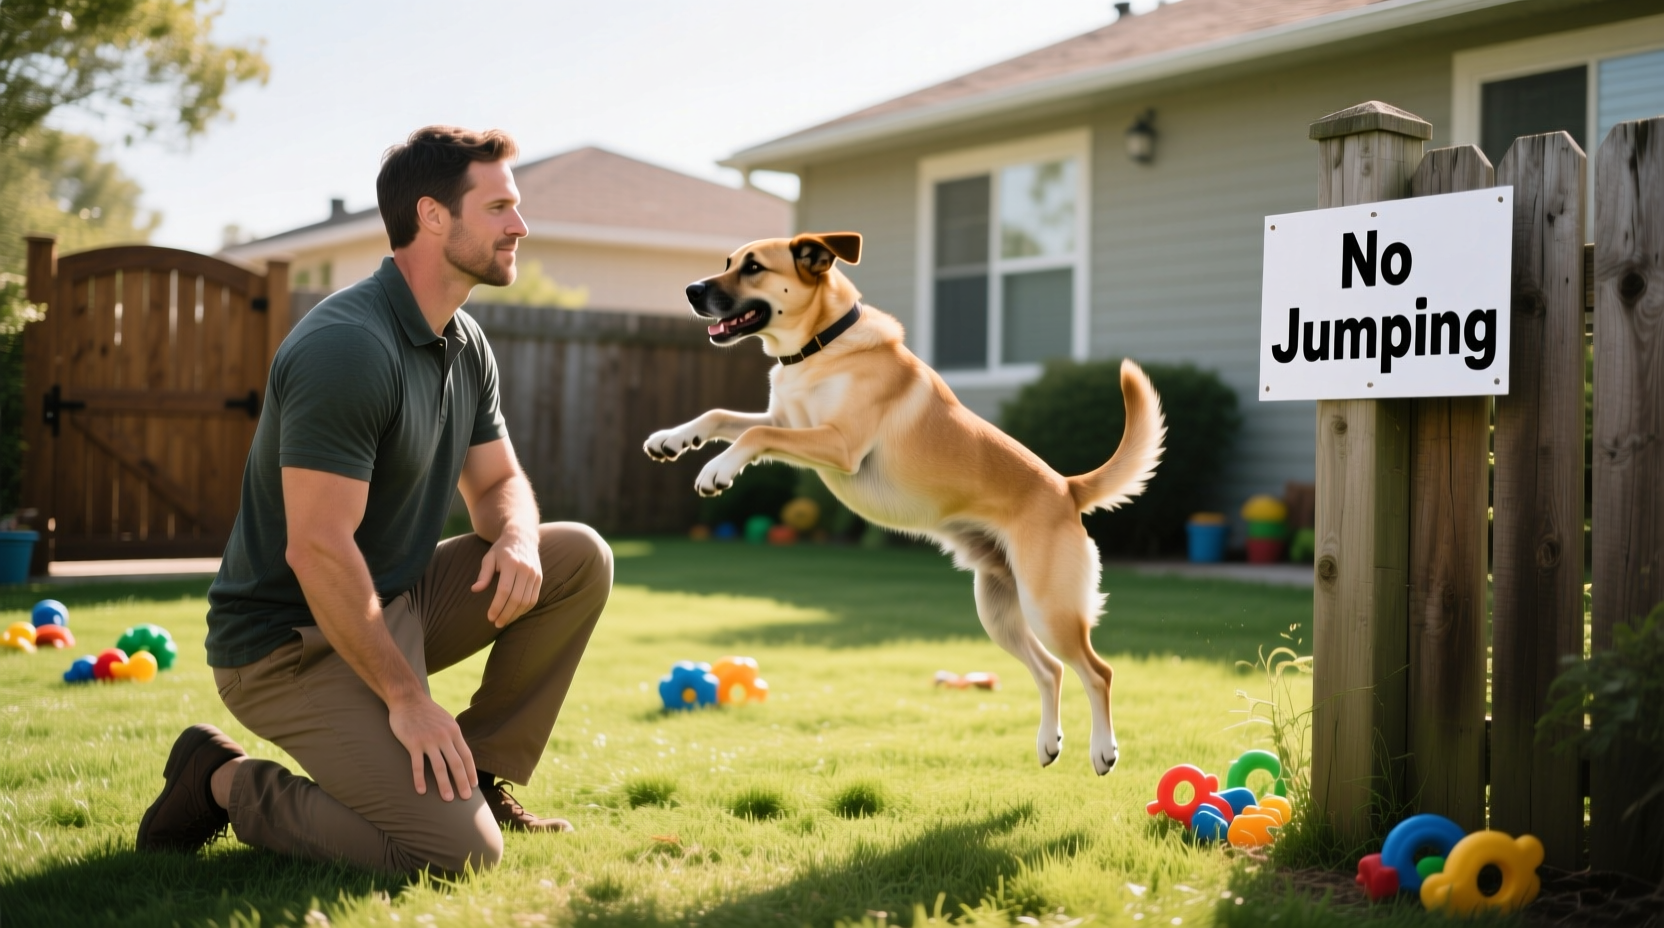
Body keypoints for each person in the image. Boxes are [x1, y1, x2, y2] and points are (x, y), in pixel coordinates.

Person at [135, 126, 612, 875]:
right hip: (287, 644)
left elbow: (497, 484)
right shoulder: (349, 346)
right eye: (498, 208)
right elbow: (317, 547)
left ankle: (478, 778)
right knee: (454, 856)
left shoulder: (464, 340)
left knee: (576, 554)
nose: (520, 226)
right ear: (431, 216)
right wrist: (407, 699)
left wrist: (518, 537)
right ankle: (222, 781)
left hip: (392, 601)